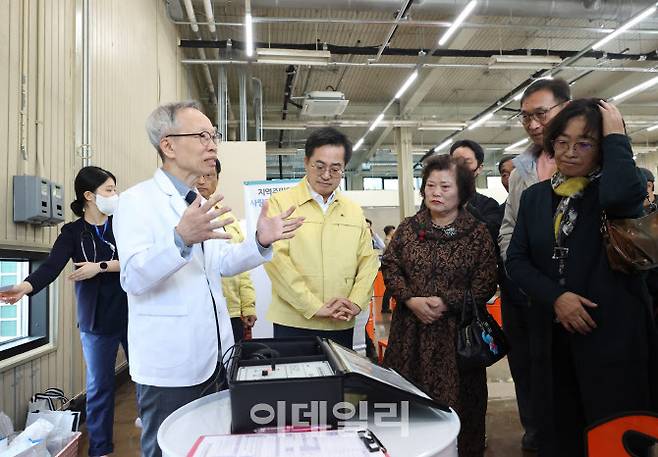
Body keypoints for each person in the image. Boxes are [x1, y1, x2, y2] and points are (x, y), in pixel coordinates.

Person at [113, 100, 304, 457]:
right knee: (166, 448)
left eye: (213, 135)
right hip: (170, 365)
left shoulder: (196, 202)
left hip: (214, 356)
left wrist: (259, 240)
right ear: (168, 145)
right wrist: (179, 239)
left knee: (209, 445)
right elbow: (133, 278)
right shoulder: (136, 201)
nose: (213, 144)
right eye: (202, 135)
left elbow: (222, 262)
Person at [506, 99, 658, 457]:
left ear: (604, 147)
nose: (571, 152)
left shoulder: (616, 190)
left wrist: (617, 133)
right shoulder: (535, 198)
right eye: (562, 141)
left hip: (613, 338)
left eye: (585, 143)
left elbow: (623, 194)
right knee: (561, 432)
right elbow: (517, 259)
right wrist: (556, 298)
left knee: (616, 434)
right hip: (554, 337)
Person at [0, 166, 125, 457]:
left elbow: (138, 259)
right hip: (96, 319)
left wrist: (102, 266)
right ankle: (101, 450)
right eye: (109, 190)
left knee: (146, 382)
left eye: (115, 190)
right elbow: (51, 266)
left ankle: (153, 441)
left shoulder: (123, 225)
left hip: (134, 312)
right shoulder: (72, 232)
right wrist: (25, 286)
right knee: (99, 387)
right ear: (88, 196)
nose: (115, 196)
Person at [382, 155, 497, 457]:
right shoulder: (409, 229)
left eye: (445, 186)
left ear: (462, 191)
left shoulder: (477, 233)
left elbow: (485, 282)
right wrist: (410, 299)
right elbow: (390, 267)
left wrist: (447, 302)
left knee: (461, 407)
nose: (436, 192)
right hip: (410, 335)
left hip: (458, 338)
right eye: (430, 185)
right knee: (410, 404)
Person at [497, 77, 571, 452]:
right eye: (525, 117)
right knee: (533, 373)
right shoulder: (524, 167)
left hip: (578, 296)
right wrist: (522, 274)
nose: (532, 124)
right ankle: (539, 434)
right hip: (529, 296)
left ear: (565, 107)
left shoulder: (589, 156)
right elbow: (509, 229)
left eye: (541, 113)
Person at [264, 127, 380, 349]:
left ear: (344, 168)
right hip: (293, 323)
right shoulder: (281, 204)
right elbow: (277, 261)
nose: (327, 175)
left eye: (335, 169)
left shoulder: (354, 211)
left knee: (337, 383)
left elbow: (368, 261)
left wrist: (355, 302)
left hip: (340, 322)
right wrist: (312, 306)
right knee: (296, 382)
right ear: (306, 162)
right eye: (320, 166)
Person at [196, 159, 257, 343]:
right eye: (197, 175)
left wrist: (248, 305)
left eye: (208, 176)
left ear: (217, 180)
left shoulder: (227, 217)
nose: (201, 181)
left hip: (231, 310)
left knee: (232, 365)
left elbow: (242, 266)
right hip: (199, 312)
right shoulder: (180, 215)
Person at [449, 139, 502, 242]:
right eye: (455, 161)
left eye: (466, 162)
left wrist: (465, 205)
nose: (460, 167)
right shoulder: (436, 202)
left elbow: (493, 236)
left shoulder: (489, 205)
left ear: (479, 168)